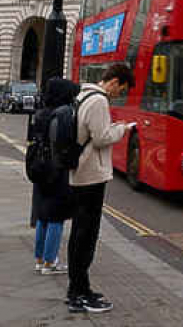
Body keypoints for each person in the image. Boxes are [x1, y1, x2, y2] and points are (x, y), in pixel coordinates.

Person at [67, 66, 136, 314]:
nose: (119, 94)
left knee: (79, 233)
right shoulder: (98, 101)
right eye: (122, 89)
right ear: (114, 82)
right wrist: (122, 129)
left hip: (80, 174)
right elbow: (101, 138)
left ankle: (79, 288)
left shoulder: (82, 95)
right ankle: (78, 293)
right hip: (90, 176)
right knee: (85, 236)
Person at [29, 77, 79, 275]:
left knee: (43, 214)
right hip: (57, 171)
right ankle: (50, 262)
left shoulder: (40, 113)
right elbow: (66, 144)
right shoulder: (64, 113)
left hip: (40, 168)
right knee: (56, 217)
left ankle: (40, 258)